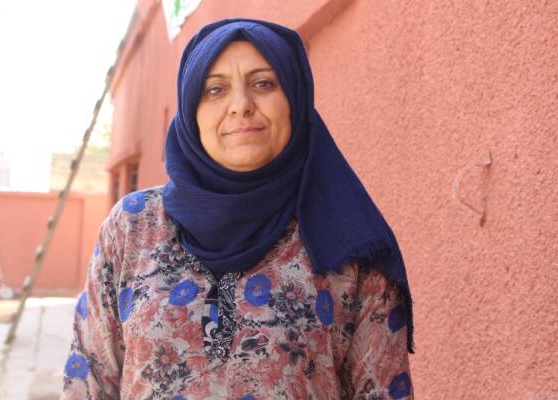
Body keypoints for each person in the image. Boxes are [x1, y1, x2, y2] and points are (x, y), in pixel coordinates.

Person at [61, 18, 415, 400]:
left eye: (263, 84)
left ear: (295, 100)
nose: (241, 106)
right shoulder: (132, 227)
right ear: (191, 111)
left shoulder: (345, 236)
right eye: (215, 89)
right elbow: (89, 383)